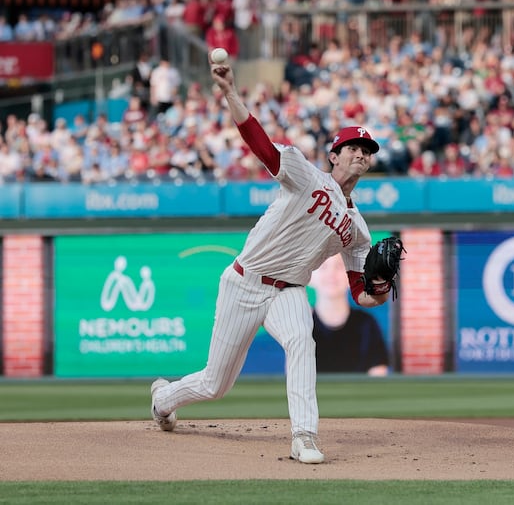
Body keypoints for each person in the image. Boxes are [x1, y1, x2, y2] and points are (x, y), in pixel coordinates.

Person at [149, 54, 393, 464]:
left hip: (289, 290)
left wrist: (381, 289)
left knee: (301, 341)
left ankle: (304, 436)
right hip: (245, 281)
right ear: (334, 155)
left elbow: (360, 294)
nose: (361, 154)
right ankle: (163, 399)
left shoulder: (359, 229)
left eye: (367, 150)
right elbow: (259, 142)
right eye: (353, 146)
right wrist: (230, 92)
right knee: (215, 383)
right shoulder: (303, 173)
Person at [310, 253, 390, 376]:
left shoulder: (367, 325)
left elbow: (378, 375)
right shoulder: (301, 324)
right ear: (309, 276)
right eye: (323, 266)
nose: (331, 274)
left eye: (339, 266)